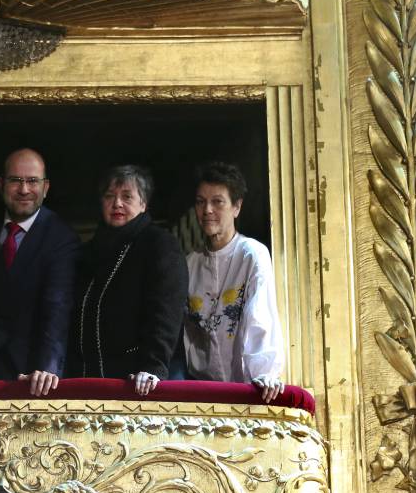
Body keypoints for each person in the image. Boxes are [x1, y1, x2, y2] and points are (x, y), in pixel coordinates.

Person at [0, 149, 79, 397]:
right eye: (15, 180)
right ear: (1, 184)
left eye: (32, 181)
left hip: (32, 376)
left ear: (46, 187)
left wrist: (47, 369)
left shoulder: (61, 237)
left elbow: (58, 309)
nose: (24, 189)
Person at [69, 165, 188, 395]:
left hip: (142, 380)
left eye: (127, 196)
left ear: (143, 204)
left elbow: (166, 312)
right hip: (91, 378)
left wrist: (154, 366)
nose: (117, 204)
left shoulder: (160, 244)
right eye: (109, 196)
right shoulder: (89, 252)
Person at [184, 162, 285, 402]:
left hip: (247, 387)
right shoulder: (189, 263)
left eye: (217, 202)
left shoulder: (251, 254)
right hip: (201, 391)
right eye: (200, 202)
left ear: (237, 207)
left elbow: (260, 314)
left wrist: (264, 373)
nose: (207, 210)